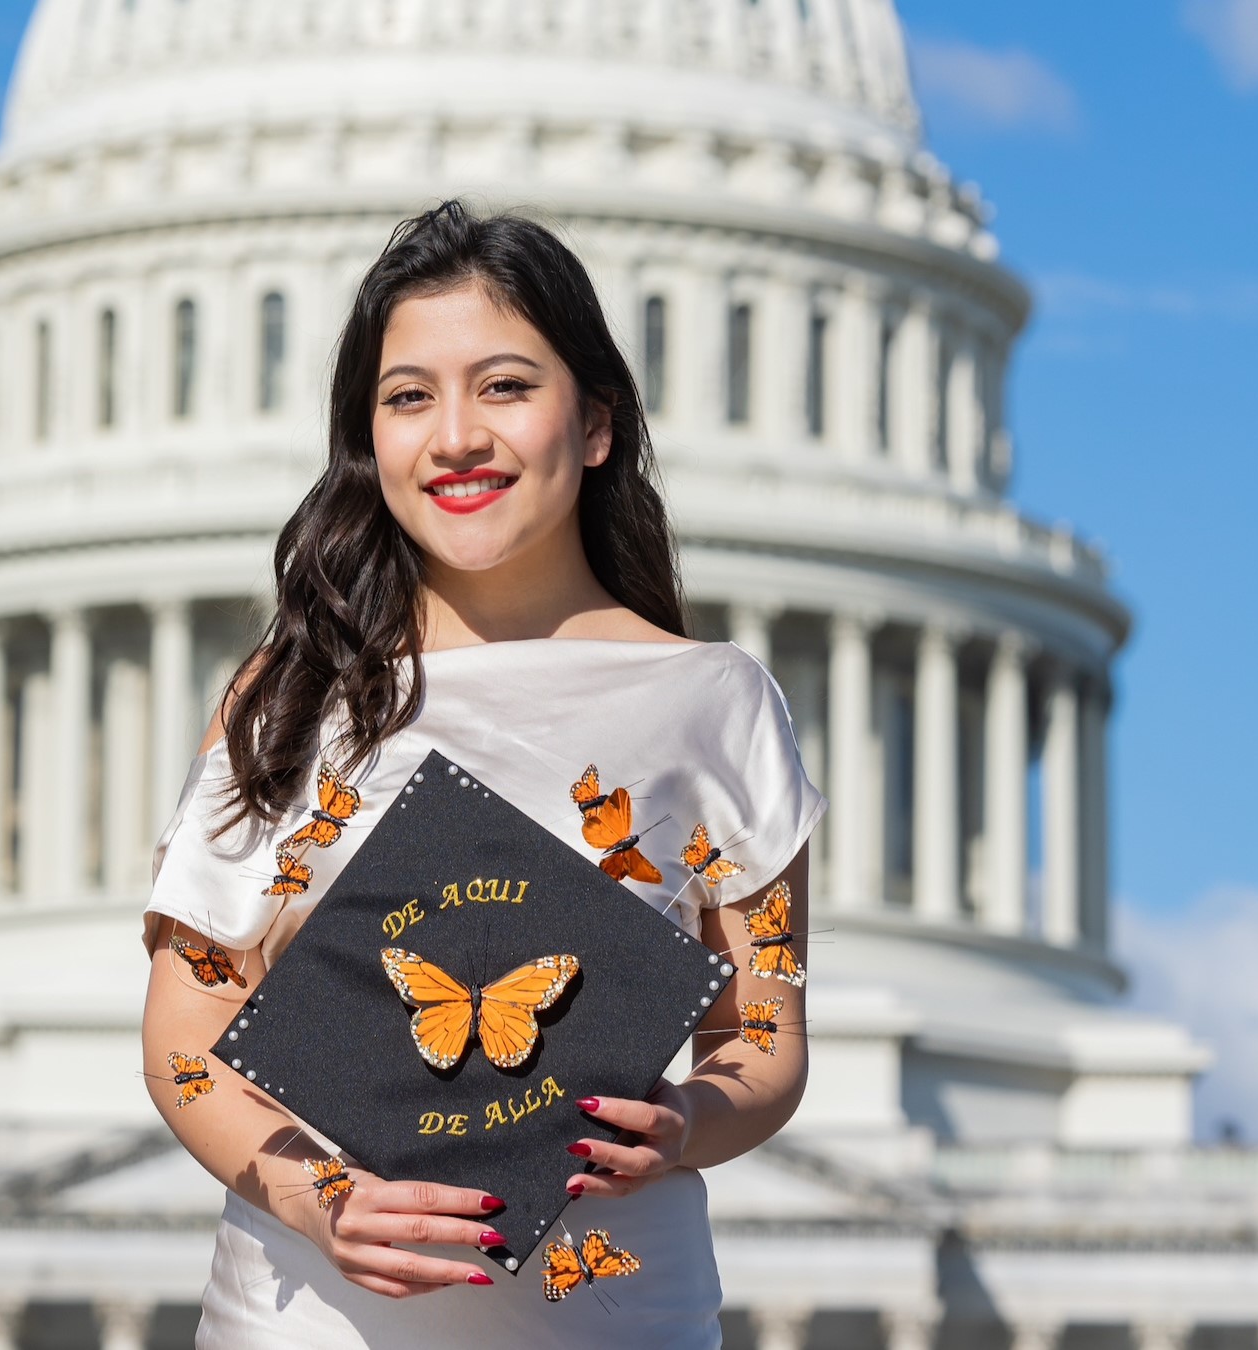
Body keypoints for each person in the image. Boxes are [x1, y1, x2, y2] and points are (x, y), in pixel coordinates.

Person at [141, 200, 826, 1347]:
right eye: (409, 398)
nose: (455, 436)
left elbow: (763, 1039)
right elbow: (184, 1035)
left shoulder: (714, 703)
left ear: (596, 423)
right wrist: (322, 1200)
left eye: (504, 386)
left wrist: (682, 1125)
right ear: (371, 439)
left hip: (607, 1308)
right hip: (313, 1314)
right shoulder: (286, 701)